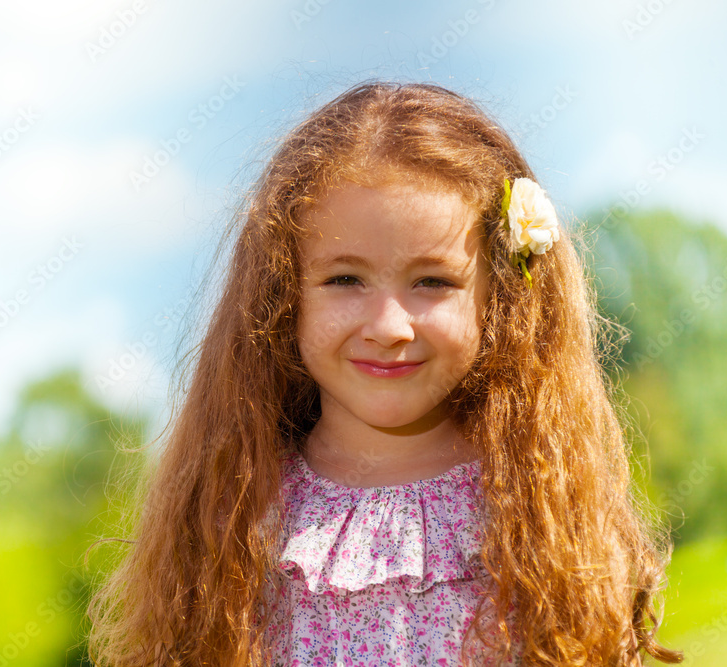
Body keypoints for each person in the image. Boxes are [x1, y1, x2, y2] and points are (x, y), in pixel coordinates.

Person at [85, 81, 684, 666]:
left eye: (433, 282)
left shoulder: (542, 512)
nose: (389, 326)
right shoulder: (238, 517)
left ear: (498, 298)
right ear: (284, 296)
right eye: (345, 279)